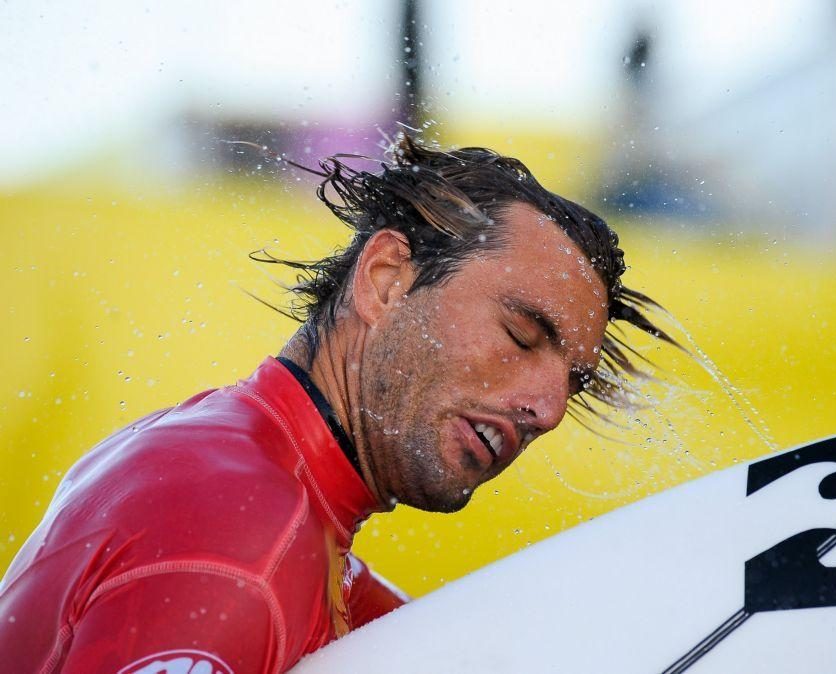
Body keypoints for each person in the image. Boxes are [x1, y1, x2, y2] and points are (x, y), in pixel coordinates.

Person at [0, 134, 672, 673]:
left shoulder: (243, 471)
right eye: (521, 335)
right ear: (385, 282)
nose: (547, 410)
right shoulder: (240, 539)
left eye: (572, 382)